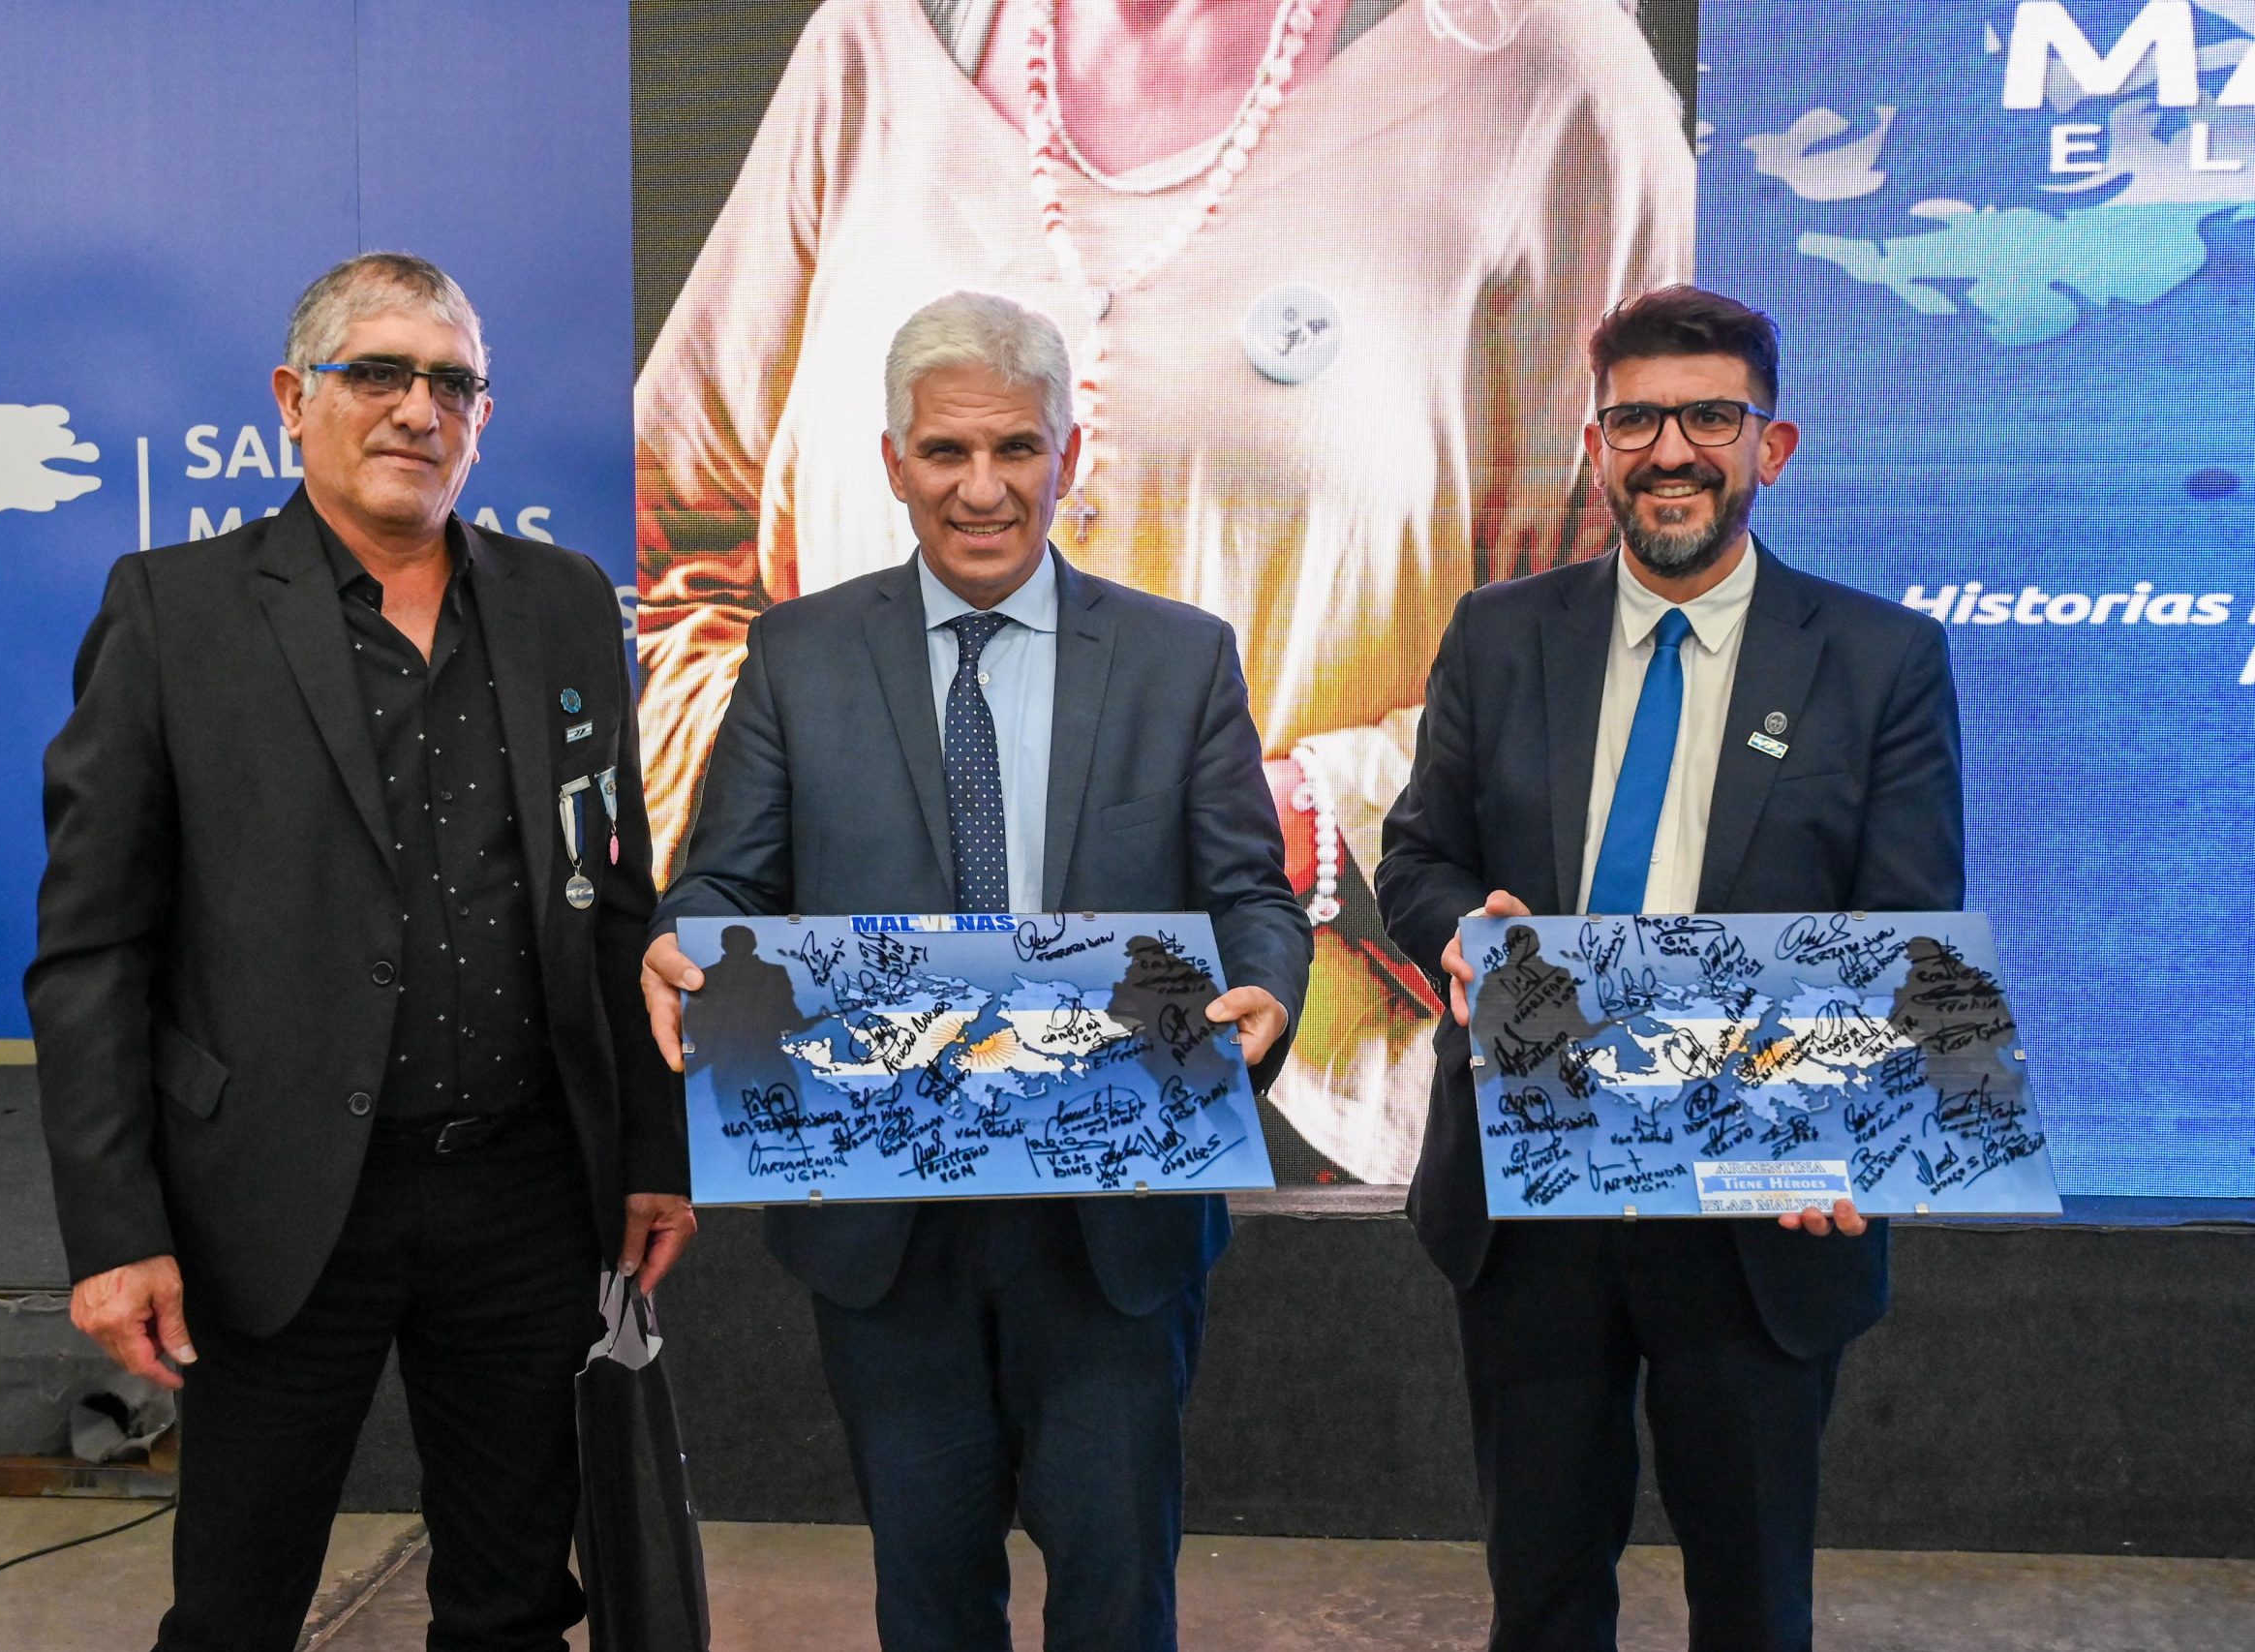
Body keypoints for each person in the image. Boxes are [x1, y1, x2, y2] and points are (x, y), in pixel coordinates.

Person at [632, 0, 1692, 1184]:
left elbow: (1618, 651)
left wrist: (1293, 822)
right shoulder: (876, 46)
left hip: (1301, 1099)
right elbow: (681, 550)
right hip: (866, 1078)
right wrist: (834, 833)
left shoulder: (1544, 75)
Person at [24, 252, 694, 1651]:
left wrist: (652, 1149)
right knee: (235, 1608)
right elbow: (92, 949)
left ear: (482, 416)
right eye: (376, 372)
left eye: (451, 382)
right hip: (272, 1203)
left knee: (514, 1601)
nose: (415, 408)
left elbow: (615, 901)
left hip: (524, 1197)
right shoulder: (172, 610)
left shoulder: (567, 601)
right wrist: (117, 1229)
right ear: (293, 397)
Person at [642, 290, 1310, 1649]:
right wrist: (680, 936)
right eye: (946, 451)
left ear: (1070, 456)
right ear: (895, 463)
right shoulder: (797, 653)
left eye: (1016, 447)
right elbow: (726, 884)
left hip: (1113, 1218)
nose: (983, 486)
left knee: (1118, 1595)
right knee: (929, 1595)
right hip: (888, 1227)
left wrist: (1269, 982)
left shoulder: (1182, 658)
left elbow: (1251, 893)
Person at [1373, 285, 1965, 1651]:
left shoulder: (1879, 657)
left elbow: (1904, 928)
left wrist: (1851, 1128)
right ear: (1595, 447)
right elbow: (1417, 858)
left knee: (1752, 1602)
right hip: (1532, 1186)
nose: (1671, 451)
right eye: (1635, 420)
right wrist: (1457, 926)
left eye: (1710, 417)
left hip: (1760, 1199)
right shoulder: (1498, 633)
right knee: (1540, 1595)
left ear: (1772, 446)